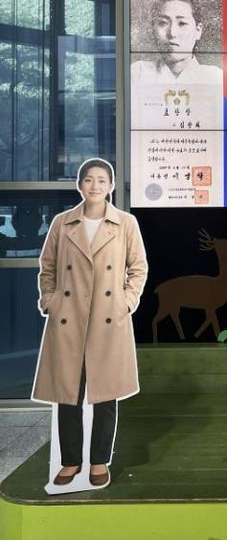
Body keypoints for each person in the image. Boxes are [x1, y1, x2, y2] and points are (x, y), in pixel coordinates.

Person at [33, 158, 148, 488]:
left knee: (105, 395)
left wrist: (126, 301)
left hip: (107, 317)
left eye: (101, 180)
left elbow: (138, 267)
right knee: (67, 393)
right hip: (68, 317)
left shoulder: (125, 223)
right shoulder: (62, 223)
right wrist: (50, 300)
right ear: (80, 184)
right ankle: (70, 461)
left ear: (111, 186)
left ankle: (99, 461)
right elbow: (48, 266)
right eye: (88, 179)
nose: (94, 185)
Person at [130, 0, 222, 85]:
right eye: (163, 23)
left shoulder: (215, 78)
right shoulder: (137, 73)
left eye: (182, 23)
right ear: (153, 28)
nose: (172, 33)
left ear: (198, 30)